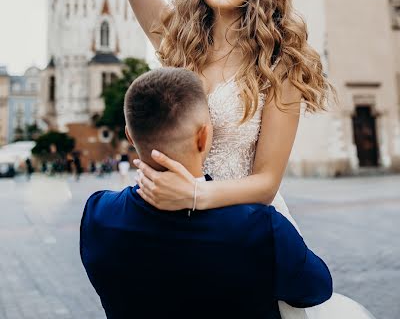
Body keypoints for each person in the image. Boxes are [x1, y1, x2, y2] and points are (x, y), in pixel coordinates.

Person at [103, 0, 375, 318]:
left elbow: (267, 181)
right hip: (175, 225)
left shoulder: (279, 63)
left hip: (246, 228)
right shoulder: (177, 41)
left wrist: (196, 194)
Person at [80, 68, 333, 319]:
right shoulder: (260, 229)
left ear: (130, 137)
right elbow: (317, 288)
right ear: (203, 137)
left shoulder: (97, 215)